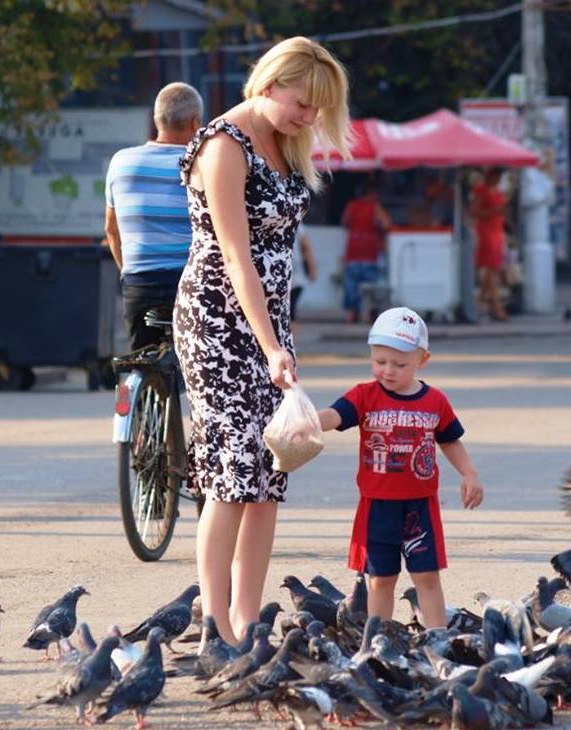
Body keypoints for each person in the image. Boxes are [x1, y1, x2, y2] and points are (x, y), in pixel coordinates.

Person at [174, 37, 351, 646]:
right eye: (303, 104)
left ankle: (250, 623)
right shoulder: (225, 145)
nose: (309, 118)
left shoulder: (283, 141)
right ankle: (214, 626)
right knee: (231, 474)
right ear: (271, 84)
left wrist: (278, 339)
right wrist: (272, 344)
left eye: (316, 111)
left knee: (271, 469)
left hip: (268, 322)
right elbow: (235, 256)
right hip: (218, 320)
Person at [315, 307, 483, 629]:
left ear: (423, 360)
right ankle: (379, 640)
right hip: (377, 506)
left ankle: (438, 638)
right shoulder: (365, 395)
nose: (388, 371)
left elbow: (449, 441)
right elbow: (335, 415)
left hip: (420, 506)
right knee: (380, 579)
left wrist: (469, 473)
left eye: (400, 364)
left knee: (427, 577)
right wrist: (305, 421)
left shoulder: (435, 401)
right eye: (380, 362)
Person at [104, 82, 202, 350]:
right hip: (188, 283)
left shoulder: (120, 162)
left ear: (156, 119)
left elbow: (111, 231)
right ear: (196, 123)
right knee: (203, 371)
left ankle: (133, 388)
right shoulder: (200, 163)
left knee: (139, 360)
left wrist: (129, 271)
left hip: (139, 284)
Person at [341, 177, 392, 323]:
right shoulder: (375, 207)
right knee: (371, 290)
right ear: (374, 193)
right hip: (369, 254)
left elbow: (344, 222)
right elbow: (387, 224)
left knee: (351, 288)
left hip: (352, 253)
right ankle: (371, 317)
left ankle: (351, 316)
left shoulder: (352, 206)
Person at [469, 167, 509, 322]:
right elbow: (474, 212)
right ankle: (496, 306)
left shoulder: (497, 191)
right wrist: (494, 211)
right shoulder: (482, 190)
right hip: (486, 230)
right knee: (492, 268)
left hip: (497, 230)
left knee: (495, 268)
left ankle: (480, 303)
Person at [290, 223, 317, 335]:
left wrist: (312, 269)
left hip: (295, 277)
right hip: (292, 277)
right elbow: (307, 248)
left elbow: (306, 248)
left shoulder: (298, 226)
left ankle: (290, 343)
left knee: (290, 311)